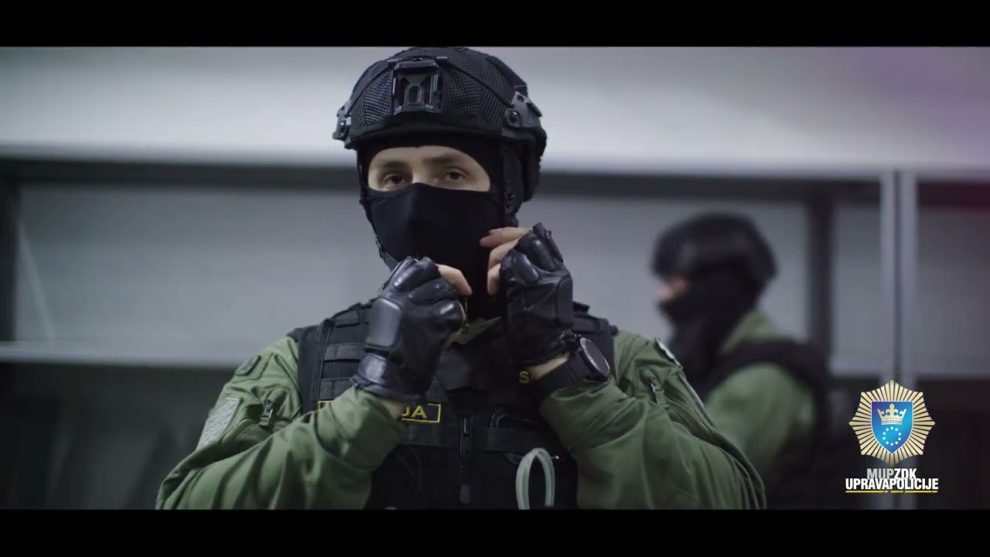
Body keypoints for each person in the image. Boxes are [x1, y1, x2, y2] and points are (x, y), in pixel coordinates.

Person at [156, 47, 764, 509]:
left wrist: (563, 368)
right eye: (393, 178)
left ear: (506, 192)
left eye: (451, 174)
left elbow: (731, 497)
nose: (418, 201)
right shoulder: (300, 364)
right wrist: (376, 394)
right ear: (369, 198)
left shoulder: (620, 360)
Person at [652, 213, 836, 508]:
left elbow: (694, 483)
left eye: (675, 284)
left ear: (714, 288)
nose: (662, 297)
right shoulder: (724, 363)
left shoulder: (760, 378)